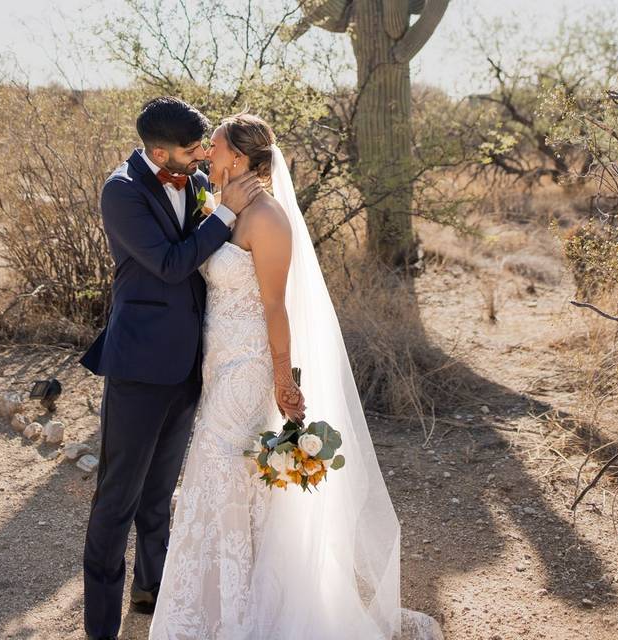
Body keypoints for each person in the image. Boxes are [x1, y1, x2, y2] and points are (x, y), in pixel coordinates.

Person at [148, 113, 444, 640]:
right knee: (227, 477)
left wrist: (283, 380)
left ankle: (233, 614)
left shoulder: (268, 218)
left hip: (247, 369)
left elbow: (274, 307)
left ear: (240, 158)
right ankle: (225, 603)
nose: (207, 154)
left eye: (215, 147)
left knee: (221, 471)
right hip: (217, 363)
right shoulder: (225, 207)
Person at [78, 97, 263, 640]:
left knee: (159, 496)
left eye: (204, 146)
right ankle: (100, 626)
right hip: (139, 367)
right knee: (117, 499)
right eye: (192, 150)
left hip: (191, 365)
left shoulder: (198, 181)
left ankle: (152, 590)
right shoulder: (122, 191)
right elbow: (168, 264)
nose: (202, 156)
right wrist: (225, 214)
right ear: (159, 153)